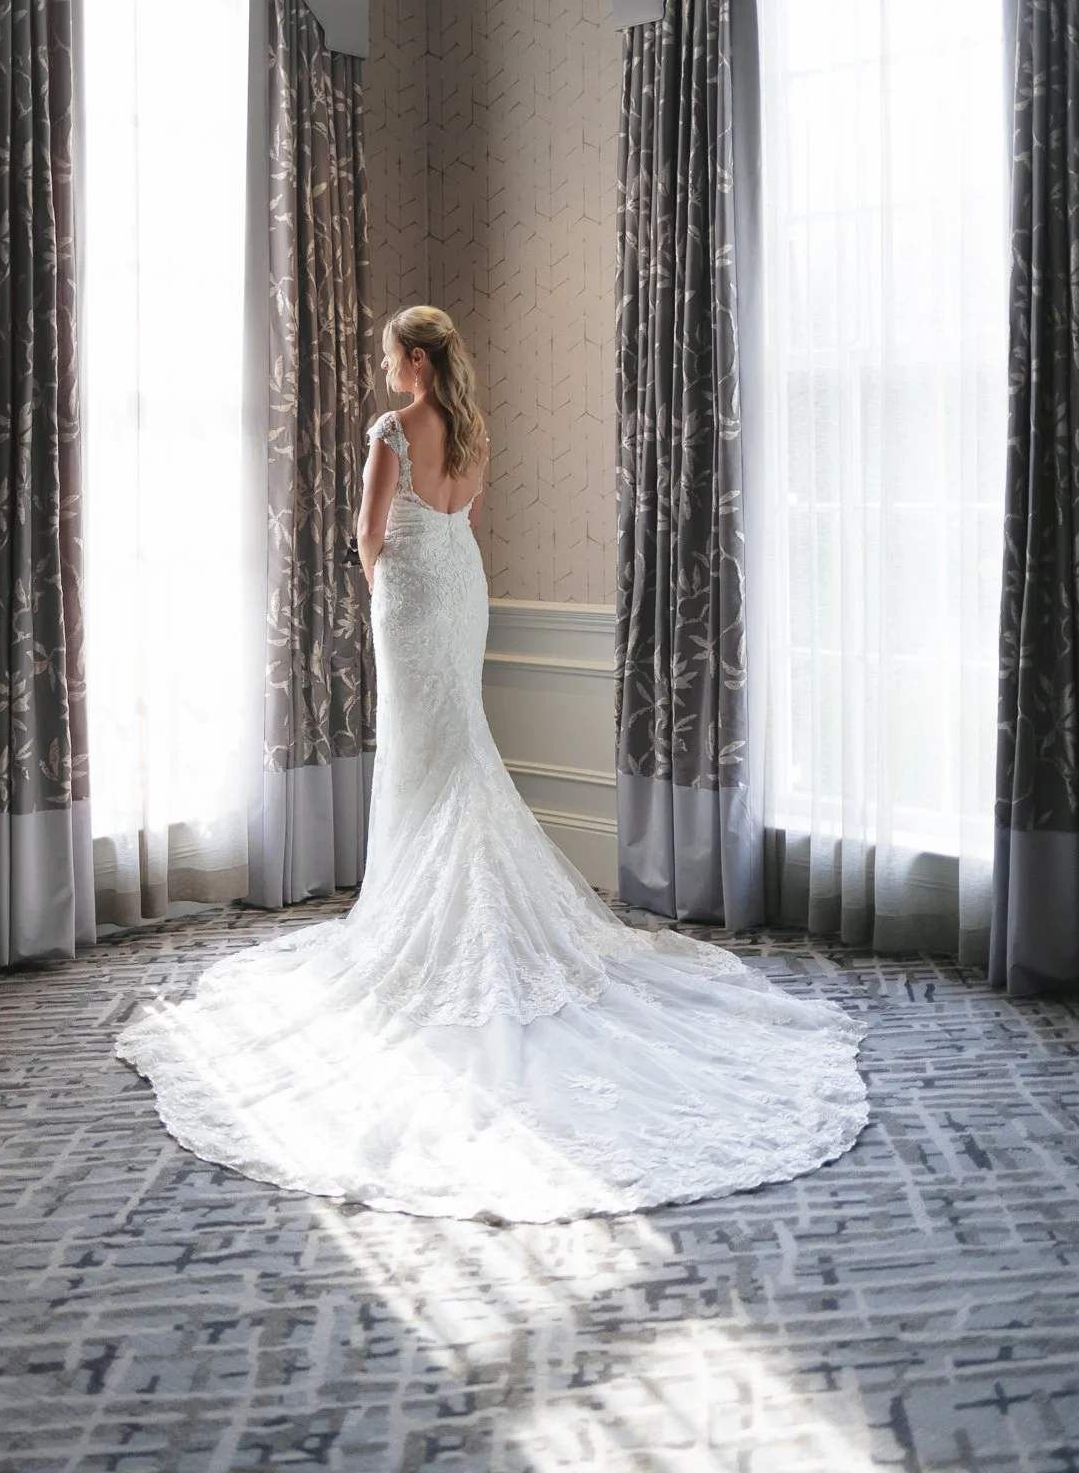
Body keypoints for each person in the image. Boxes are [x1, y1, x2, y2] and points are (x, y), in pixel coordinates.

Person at [117, 306, 867, 1221]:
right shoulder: (474, 431)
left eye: (391, 353)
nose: (384, 367)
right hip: (463, 590)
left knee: (426, 753)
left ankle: (425, 918)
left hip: (411, 598)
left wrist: (383, 597)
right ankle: (452, 906)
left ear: (417, 362)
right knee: (454, 744)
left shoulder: (392, 431)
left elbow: (367, 534)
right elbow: (462, 515)